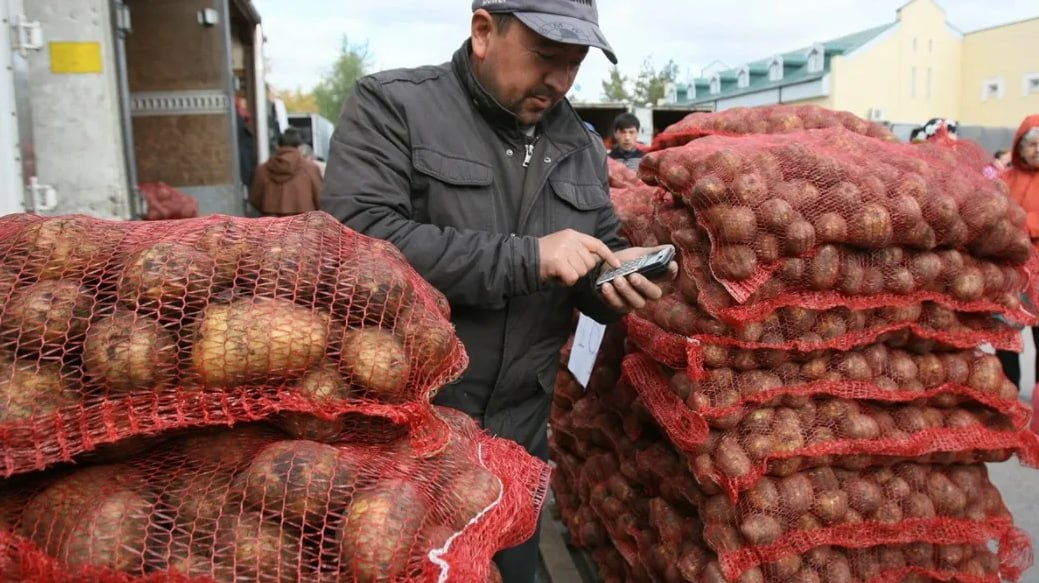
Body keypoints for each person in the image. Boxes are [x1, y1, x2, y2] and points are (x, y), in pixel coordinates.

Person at [320, 2, 675, 581]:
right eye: (545, 56)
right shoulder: (394, 107)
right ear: (484, 32)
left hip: (519, 438)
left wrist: (615, 281)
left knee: (510, 571)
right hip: (405, 434)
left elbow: (593, 253)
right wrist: (529, 258)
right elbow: (359, 243)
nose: (559, 80)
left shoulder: (579, 145)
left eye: (574, 63)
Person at [996, 115, 1039, 390]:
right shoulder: (1003, 178)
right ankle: (1007, 397)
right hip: (1008, 272)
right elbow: (991, 213)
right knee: (1004, 337)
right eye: (1033, 144)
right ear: (1018, 147)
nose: (1037, 150)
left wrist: (1021, 223)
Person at [248, 128, 323, 217]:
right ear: (299, 147)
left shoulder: (263, 170)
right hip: (302, 223)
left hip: (271, 223)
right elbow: (320, 199)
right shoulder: (311, 169)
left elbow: (254, 198)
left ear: (278, 146)